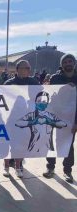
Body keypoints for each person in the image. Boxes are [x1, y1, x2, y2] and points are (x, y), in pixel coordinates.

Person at [43, 54, 77, 183]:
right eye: (65, 62)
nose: (68, 64)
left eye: (70, 61)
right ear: (62, 64)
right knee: (51, 142)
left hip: (71, 118)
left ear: (74, 63)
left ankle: (67, 170)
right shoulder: (55, 78)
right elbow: (51, 96)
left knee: (68, 144)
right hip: (55, 116)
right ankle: (50, 167)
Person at [3, 60, 40, 178]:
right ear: (18, 69)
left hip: (26, 119)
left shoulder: (34, 82)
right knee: (8, 143)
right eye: (26, 68)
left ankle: (18, 167)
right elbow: (1, 98)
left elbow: (42, 97)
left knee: (21, 143)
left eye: (29, 68)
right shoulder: (9, 83)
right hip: (11, 118)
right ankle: (6, 166)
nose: (29, 70)